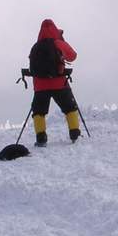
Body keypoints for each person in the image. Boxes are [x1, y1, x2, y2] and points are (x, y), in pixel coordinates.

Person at [28, 18, 80, 147]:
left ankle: (41, 138)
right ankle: (74, 134)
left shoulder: (36, 46)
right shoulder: (58, 43)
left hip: (40, 86)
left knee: (38, 112)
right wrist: (62, 44)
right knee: (70, 108)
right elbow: (73, 56)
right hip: (59, 83)